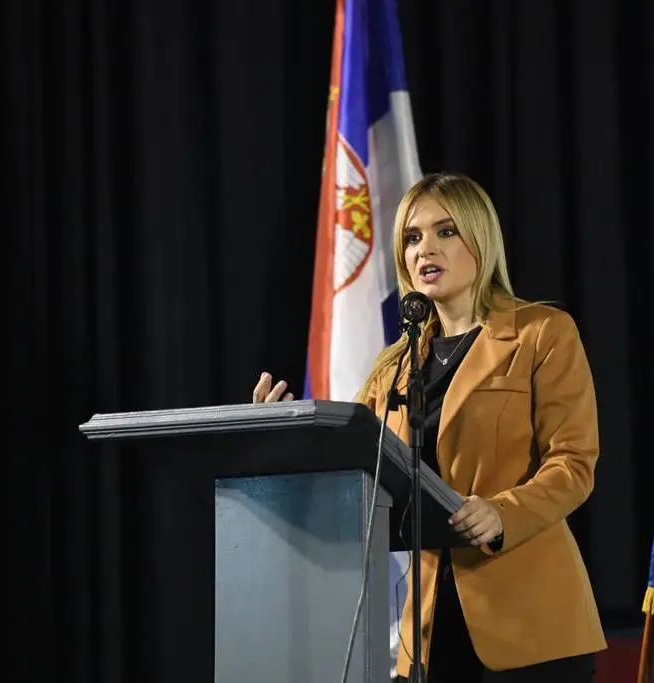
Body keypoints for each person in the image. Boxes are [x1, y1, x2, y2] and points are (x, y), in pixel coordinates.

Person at [253, 172, 606, 682]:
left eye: (446, 231)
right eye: (413, 238)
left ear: (480, 238)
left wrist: (502, 512)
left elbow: (573, 463)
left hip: (531, 622)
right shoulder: (395, 365)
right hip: (425, 629)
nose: (425, 250)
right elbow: (350, 464)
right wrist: (280, 433)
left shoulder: (540, 333)